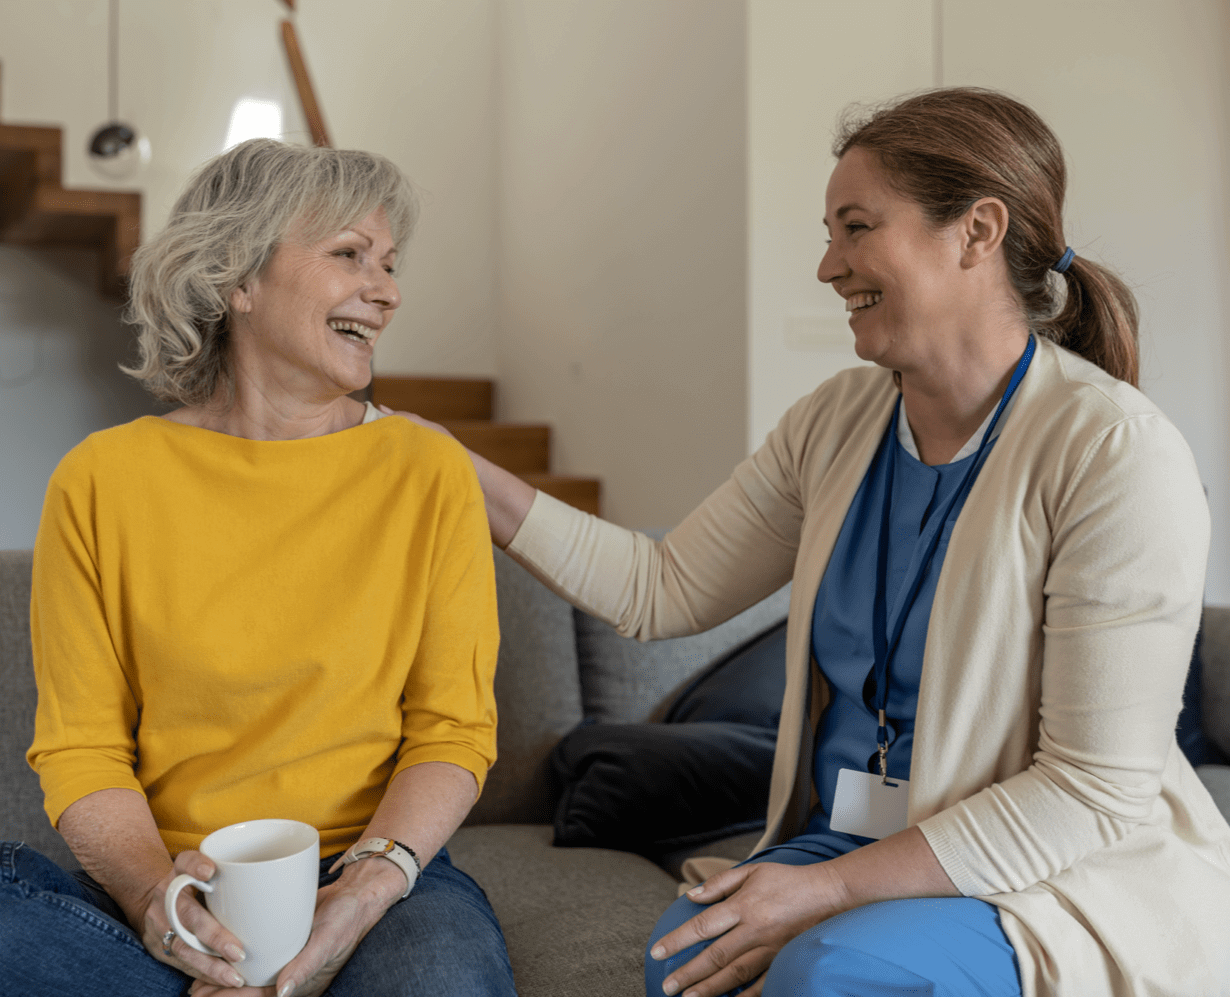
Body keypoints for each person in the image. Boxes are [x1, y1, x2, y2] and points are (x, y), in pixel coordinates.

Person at [387, 89, 1230, 996]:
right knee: (687, 952)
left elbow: (1090, 793)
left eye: (857, 227)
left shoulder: (1113, 452)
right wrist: (451, 465)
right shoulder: (836, 420)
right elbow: (658, 587)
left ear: (977, 231)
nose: (829, 265)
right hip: (869, 838)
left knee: (829, 970)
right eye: (830, 232)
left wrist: (818, 891)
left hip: (1048, 873)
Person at [1, 139, 516, 997]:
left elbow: (452, 729)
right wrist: (157, 901)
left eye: (389, 264)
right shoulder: (100, 479)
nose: (387, 291)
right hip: (174, 883)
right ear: (236, 279)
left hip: (367, 871)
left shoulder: (426, 469)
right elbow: (82, 748)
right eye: (350, 255)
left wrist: (363, 891)